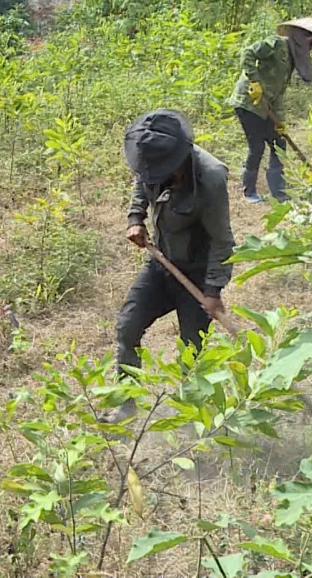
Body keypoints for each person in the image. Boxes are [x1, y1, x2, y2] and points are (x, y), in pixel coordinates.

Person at [110, 110, 234, 422]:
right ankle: (126, 405)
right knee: (128, 327)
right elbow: (142, 183)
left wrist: (213, 290)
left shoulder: (210, 177)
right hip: (162, 262)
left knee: (192, 350)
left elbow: (222, 241)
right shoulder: (151, 161)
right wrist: (136, 218)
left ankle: (189, 417)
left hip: (196, 273)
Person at [228, 17, 312, 203]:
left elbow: (278, 92)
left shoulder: (291, 58)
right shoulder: (276, 44)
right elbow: (248, 53)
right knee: (256, 146)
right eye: (311, 42)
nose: (311, 48)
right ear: (302, 37)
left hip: (267, 106)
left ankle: (278, 192)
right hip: (248, 101)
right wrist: (254, 81)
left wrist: (280, 120)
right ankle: (249, 192)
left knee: (278, 144)